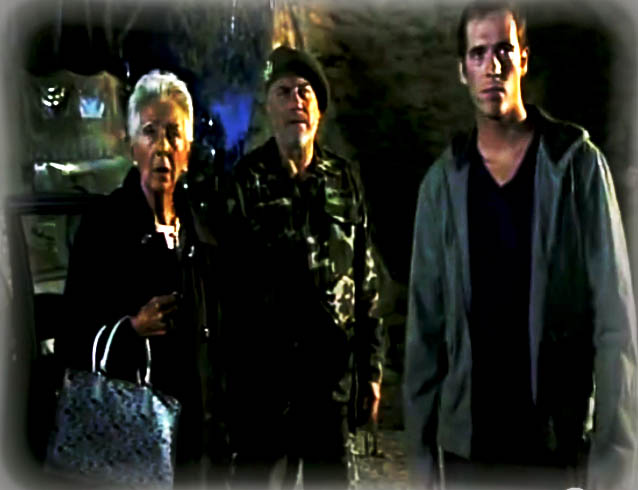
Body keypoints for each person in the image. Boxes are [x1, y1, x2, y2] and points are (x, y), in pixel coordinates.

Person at [403, 2, 638, 490]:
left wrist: (613, 458)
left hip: (550, 445)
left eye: (504, 50)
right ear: (463, 70)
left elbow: (615, 319)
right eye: (478, 53)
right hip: (469, 447)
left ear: (523, 60)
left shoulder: (575, 166)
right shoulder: (443, 184)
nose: (492, 66)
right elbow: (425, 331)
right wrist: (423, 463)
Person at [224, 46, 386, 489]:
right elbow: (227, 290)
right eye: (284, 92)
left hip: (328, 384)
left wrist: (371, 369)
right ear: (268, 107)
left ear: (319, 110)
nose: (296, 101)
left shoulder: (343, 178)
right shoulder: (244, 181)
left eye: (305, 92)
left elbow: (366, 278)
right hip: (264, 388)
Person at [57, 70, 228, 487]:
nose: (162, 147)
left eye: (173, 134)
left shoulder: (203, 233)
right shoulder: (103, 227)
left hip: (197, 443)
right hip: (129, 442)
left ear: (188, 151)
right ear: (133, 147)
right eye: (150, 132)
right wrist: (131, 330)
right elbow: (70, 340)